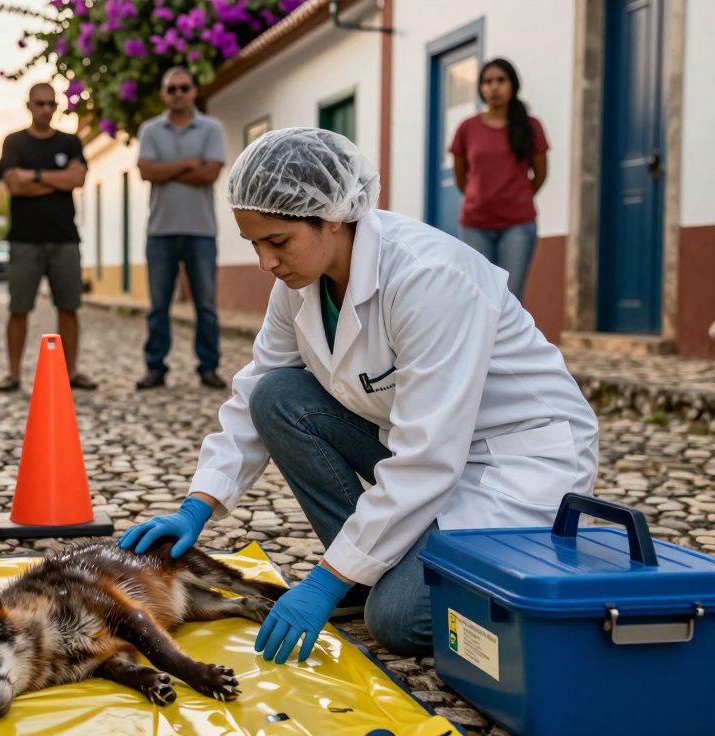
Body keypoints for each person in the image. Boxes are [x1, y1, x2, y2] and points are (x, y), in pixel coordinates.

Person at [120, 128, 598, 664]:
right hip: (430, 449)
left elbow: (428, 457)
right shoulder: (300, 282)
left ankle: (368, 574)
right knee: (279, 395)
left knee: (397, 621)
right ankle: (371, 570)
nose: (266, 263)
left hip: (513, 462)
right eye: (254, 243)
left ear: (332, 217)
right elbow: (259, 385)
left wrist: (323, 579)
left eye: (277, 242)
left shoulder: (428, 277)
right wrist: (197, 506)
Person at [0, 82, 94, 392]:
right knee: (19, 308)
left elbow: (77, 179)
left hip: (65, 238)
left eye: (51, 104)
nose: (46, 110)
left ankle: (69, 371)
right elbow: (14, 186)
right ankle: (13, 373)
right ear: (29, 106)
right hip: (24, 240)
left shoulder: (69, 142)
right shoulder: (13, 142)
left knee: (69, 307)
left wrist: (35, 175)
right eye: (39, 104)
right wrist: (58, 181)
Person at [134, 67, 228, 390]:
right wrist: (189, 163)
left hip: (201, 230)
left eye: (183, 88)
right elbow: (146, 171)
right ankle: (155, 367)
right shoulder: (149, 130)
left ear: (193, 91)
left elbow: (210, 173)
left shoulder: (212, 128)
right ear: (163, 93)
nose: (177, 93)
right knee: (158, 306)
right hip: (160, 232)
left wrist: (167, 171)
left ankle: (208, 367)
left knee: (206, 305)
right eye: (171, 88)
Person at [449, 58, 548, 301]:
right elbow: (461, 177)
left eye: (500, 80)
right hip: (475, 225)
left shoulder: (530, 126)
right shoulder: (467, 128)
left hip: (518, 226)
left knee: (510, 299)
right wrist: (479, 196)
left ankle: (507, 342)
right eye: (487, 82)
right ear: (481, 88)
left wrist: (518, 197)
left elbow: (541, 173)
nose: (493, 87)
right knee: (477, 296)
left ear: (513, 85)